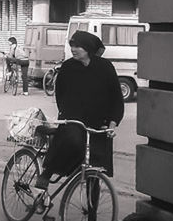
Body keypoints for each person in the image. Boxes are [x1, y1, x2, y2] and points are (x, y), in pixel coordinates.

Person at [34, 30, 124, 197]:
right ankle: (46, 174)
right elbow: (60, 94)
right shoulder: (68, 67)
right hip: (73, 119)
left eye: (78, 46)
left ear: (88, 48)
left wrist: (112, 124)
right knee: (72, 142)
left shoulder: (105, 67)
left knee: (95, 171)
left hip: (99, 123)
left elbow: (116, 98)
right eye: (72, 46)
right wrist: (67, 116)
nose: (74, 49)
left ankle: (92, 219)